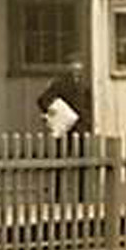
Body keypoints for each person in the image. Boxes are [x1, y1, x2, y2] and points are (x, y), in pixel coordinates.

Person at [37, 56, 92, 201]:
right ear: (68, 68)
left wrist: (88, 123)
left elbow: (88, 105)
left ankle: (82, 195)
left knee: (83, 162)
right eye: (73, 67)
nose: (77, 70)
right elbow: (43, 100)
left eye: (79, 68)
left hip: (80, 127)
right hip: (65, 127)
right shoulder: (59, 84)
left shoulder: (84, 85)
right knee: (61, 161)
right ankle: (57, 195)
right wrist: (54, 113)